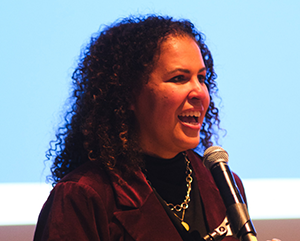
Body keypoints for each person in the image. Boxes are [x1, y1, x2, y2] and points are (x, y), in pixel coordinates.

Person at [33, 15, 247, 241]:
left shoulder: (224, 186)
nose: (199, 92)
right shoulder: (83, 195)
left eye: (201, 78)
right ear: (129, 95)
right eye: (178, 78)